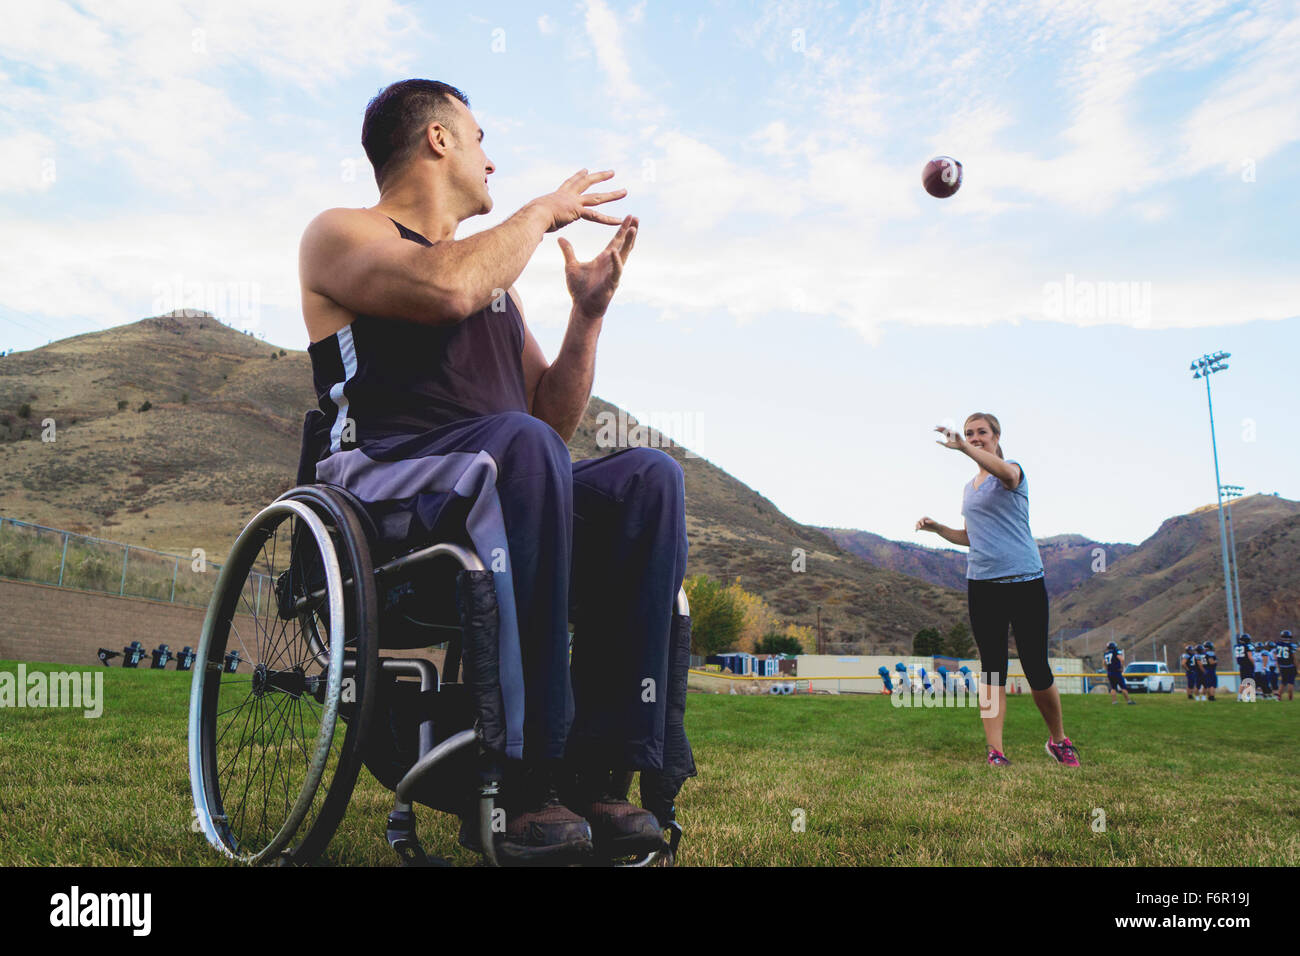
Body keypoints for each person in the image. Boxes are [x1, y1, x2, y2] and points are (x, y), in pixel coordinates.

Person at [297, 79, 692, 862]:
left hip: (501, 475)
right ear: (439, 139)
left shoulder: (497, 290)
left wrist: (587, 315)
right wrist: (543, 212)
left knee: (649, 478)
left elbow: (551, 420)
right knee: (513, 447)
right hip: (382, 484)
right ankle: (526, 774)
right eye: (480, 138)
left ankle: (605, 768)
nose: (493, 159)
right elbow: (447, 287)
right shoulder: (342, 233)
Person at [916, 413, 1078, 767]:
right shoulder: (968, 489)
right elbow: (972, 537)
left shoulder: (1012, 471)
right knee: (992, 670)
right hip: (983, 586)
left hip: (1024, 581)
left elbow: (1006, 473)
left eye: (981, 433)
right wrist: (939, 529)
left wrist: (962, 448)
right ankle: (996, 751)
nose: (974, 437)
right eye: (969, 433)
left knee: (1036, 666)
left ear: (996, 436)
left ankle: (1059, 740)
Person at [1276, 630, 1296, 701]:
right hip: (1290, 666)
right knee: (1291, 682)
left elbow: (1277, 657)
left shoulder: (1278, 644)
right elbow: (1294, 657)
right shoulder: (1291, 645)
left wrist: (1278, 666)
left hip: (1282, 666)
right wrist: (1296, 666)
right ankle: (1290, 699)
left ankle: (1278, 698)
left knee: (1283, 683)